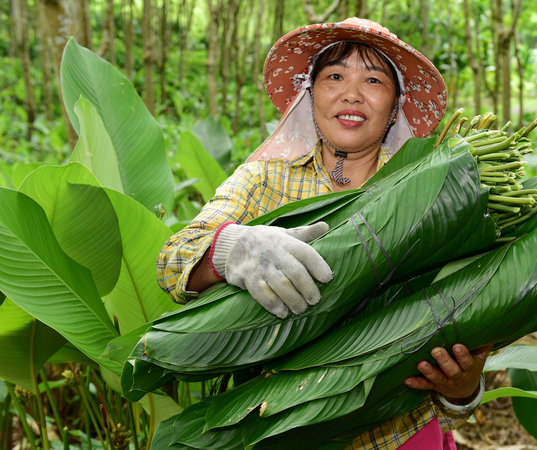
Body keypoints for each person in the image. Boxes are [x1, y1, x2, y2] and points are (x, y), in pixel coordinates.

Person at [158, 17, 490, 450]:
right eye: (335, 76)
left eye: (373, 80)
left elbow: (459, 361)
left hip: (398, 433)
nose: (351, 93)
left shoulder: (432, 193)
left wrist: (462, 388)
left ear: (395, 108)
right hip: (283, 428)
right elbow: (172, 261)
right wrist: (233, 248)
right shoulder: (264, 181)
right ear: (310, 93)